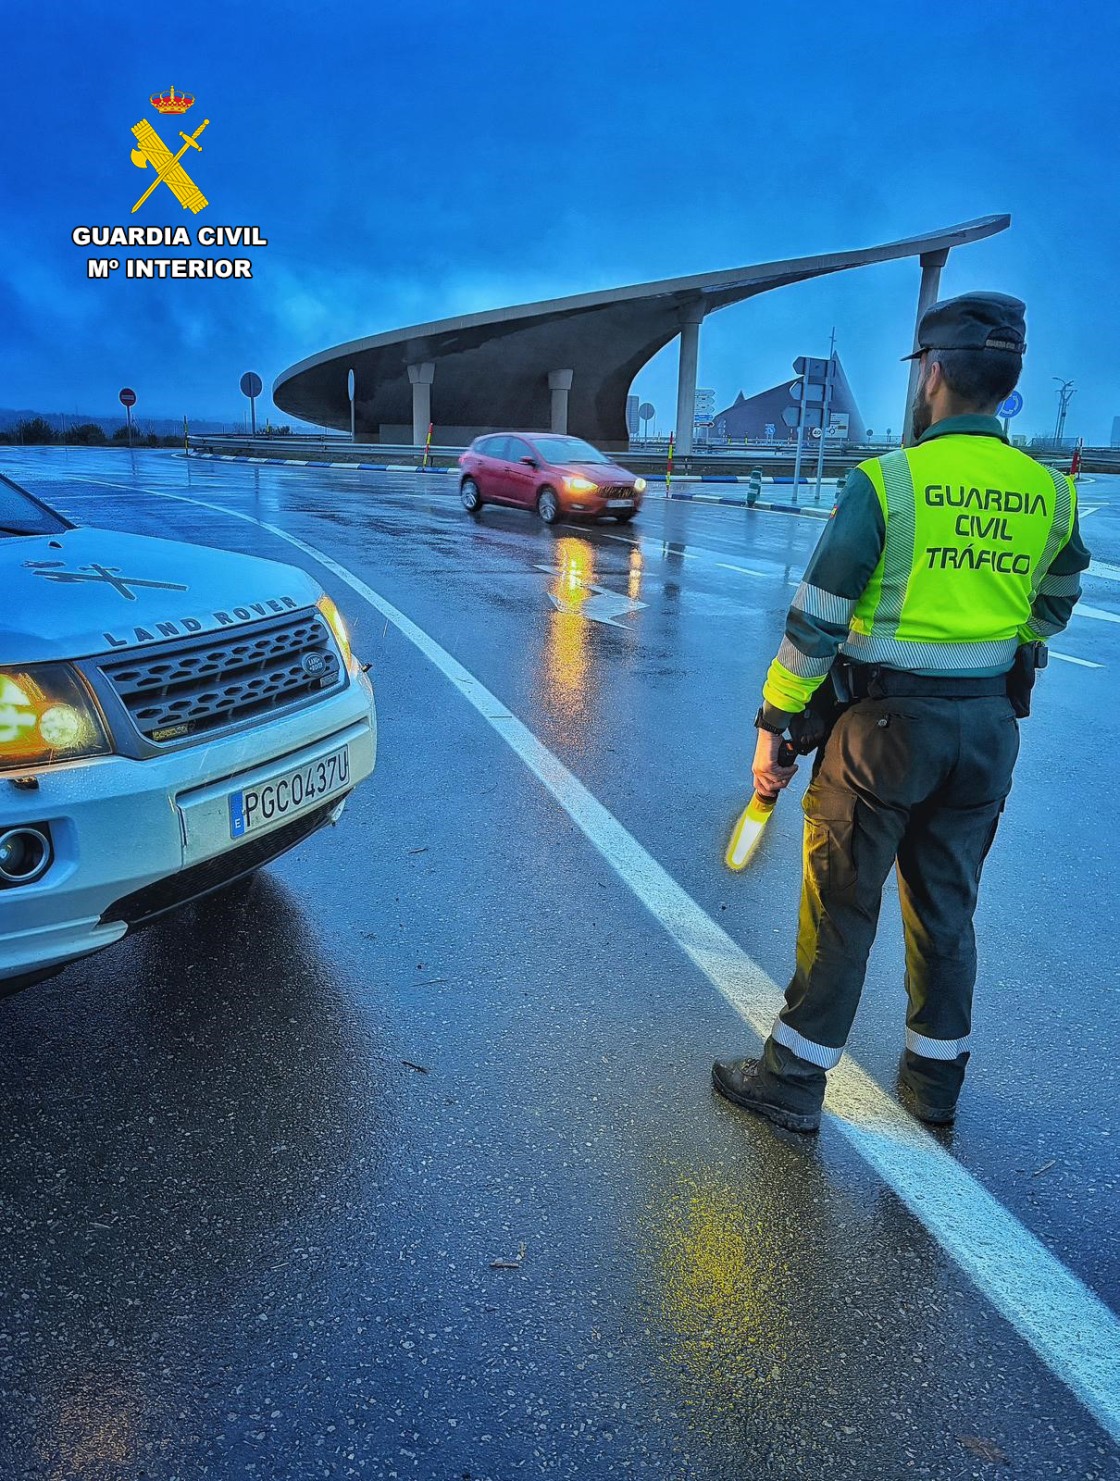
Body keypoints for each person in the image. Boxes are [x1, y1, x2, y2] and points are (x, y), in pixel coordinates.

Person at [712, 292, 1091, 1133]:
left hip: (882, 734)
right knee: (948, 904)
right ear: (1007, 380)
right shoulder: (1048, 492)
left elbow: (817, 619)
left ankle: (792, 1080)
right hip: (988, 730)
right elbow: (1057, 601)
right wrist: (1003, 641)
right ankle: (933, 1086)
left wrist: (775, 721)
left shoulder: (888, 482)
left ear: (934, 374)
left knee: (844, 902)